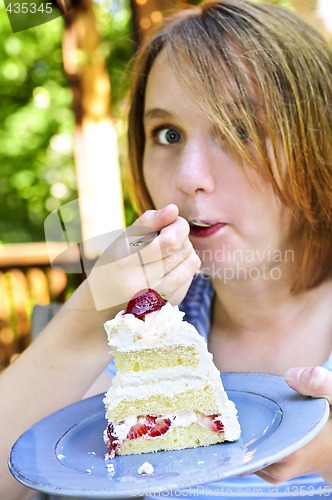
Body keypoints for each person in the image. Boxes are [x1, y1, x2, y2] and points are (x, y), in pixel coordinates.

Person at [0, 0, 331, 499]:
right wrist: (94, 315)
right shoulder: (150, 334)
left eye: (241, 131)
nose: (188, 178)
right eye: (168, 134)